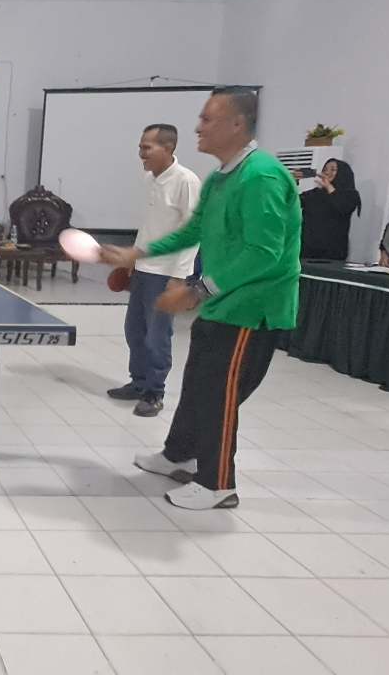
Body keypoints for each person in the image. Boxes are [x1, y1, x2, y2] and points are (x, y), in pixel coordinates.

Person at [99, 87, 300, 510]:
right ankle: (178, 454)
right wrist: (138, 252)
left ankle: (217, 484)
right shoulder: (222, 176)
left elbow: (263, 253)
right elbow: (193, 230)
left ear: (237, 124)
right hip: (223, 303)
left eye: (207, 118)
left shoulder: (260, 177)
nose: (198, 127)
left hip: (252, 310)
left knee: (219, 395)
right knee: (197, 385)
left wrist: (197, 290)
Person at [107, 124, 203, 418]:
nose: (141, 153)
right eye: (140, 147)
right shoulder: (150, 178)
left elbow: (192, 233)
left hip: (167, 273)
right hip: (143, 269)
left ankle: (154, 392)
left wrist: (179, 278)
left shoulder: (187, 181)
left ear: (168, 148)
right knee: (134, 329)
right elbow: (149, 226)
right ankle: (138, 382)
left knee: (157, 335)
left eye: (146, 147)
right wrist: (132, 260)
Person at [299, 158, 360, 260]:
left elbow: (343, 207)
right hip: (306, 251)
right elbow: (291, 202)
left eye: (333, 169)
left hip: (332, 253)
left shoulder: (350, 194)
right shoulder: (314, 194)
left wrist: (328, 186)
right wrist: (291, 182)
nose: (327, 172)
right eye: (325, 169)